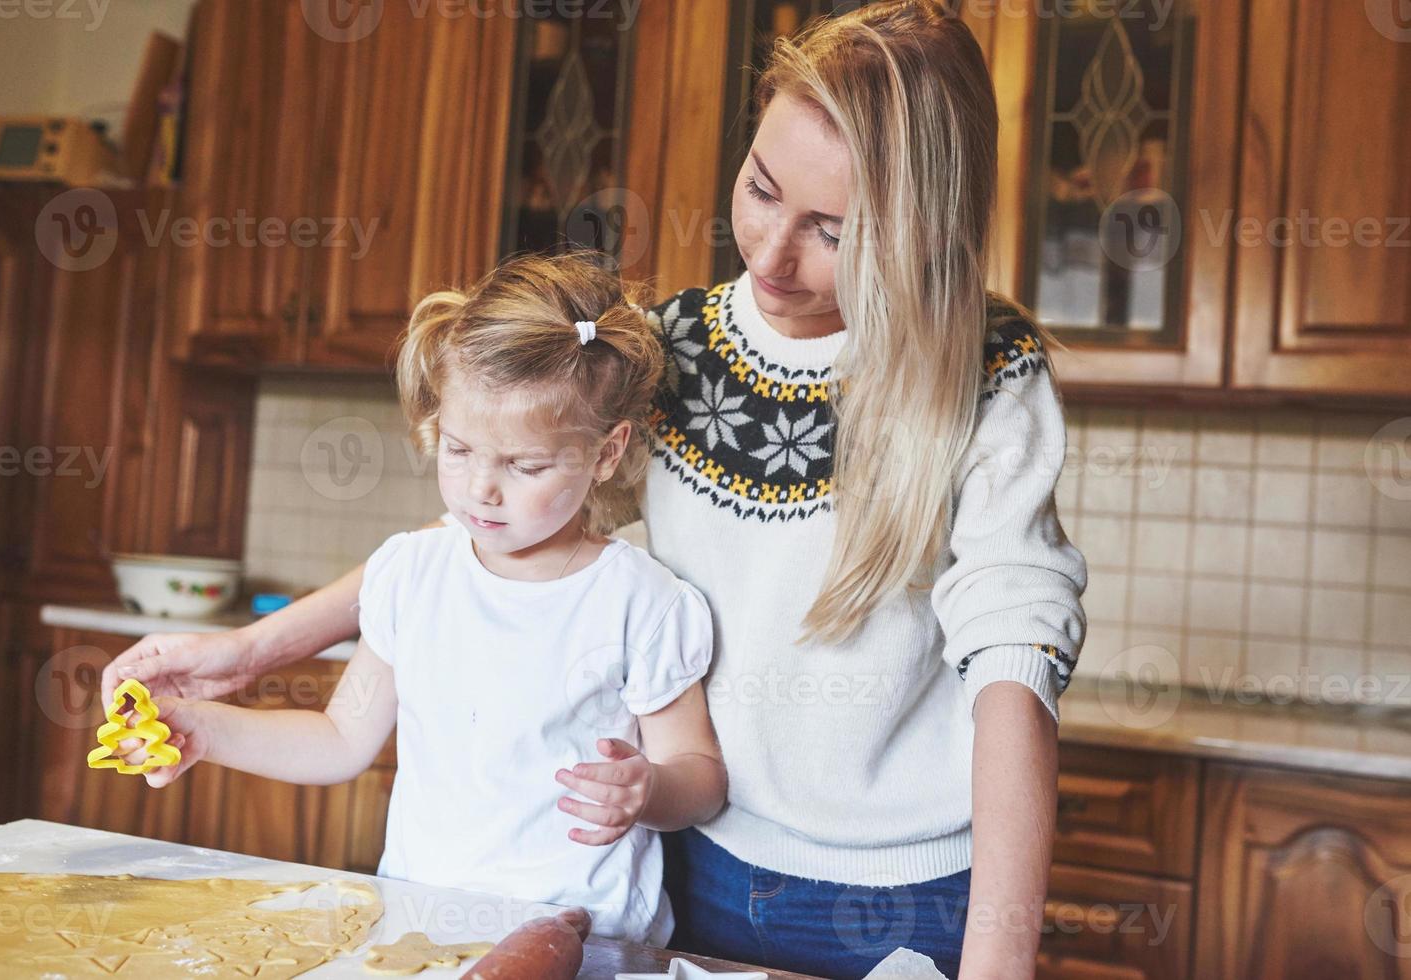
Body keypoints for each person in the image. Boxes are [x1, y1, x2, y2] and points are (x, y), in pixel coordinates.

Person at [103, 3, 1087, 976]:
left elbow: (1012, 668)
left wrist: (999, 960)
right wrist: (243, 650)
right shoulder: (676, 347)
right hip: (689, 865)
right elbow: (484, 535)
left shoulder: (985, 370)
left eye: (831, 230)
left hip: (901, 902)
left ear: (917, 227)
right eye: (758, 188)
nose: (770, 251)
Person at [108, 253, 727, 947]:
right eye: (458, 450)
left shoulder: (639, 599)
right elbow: (341, 739)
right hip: (421, 932)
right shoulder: (414, 572)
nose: (480, 490)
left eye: (524, 465)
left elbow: (700, 779)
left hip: (587, 942)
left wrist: (647, 790)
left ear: (605, 454)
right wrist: (198, 727)